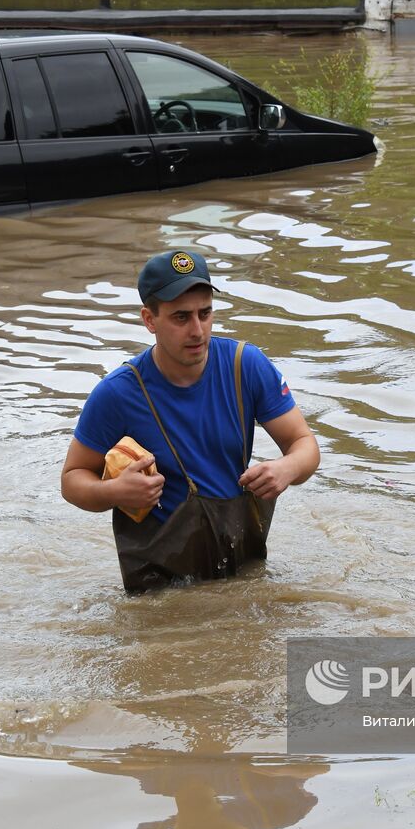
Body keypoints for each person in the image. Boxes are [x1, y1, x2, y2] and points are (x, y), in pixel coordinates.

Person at [61, 249, 319, 593]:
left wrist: (286, 469)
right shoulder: (117, 394)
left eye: (205, 313)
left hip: (241, 566)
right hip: (160, 584)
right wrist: (113, 491)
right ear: (149, 320)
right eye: (181, 317)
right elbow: (72, 479)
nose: (198, 330)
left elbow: (305, 445)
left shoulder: (247, 365)